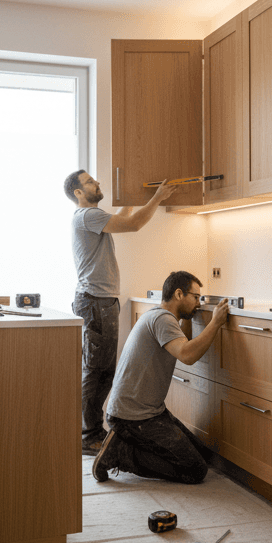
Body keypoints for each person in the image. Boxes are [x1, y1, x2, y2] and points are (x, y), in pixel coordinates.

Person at [64, 170, 174, 455]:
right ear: (78, 192)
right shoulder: (87, 216)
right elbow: (133, 225)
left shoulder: (91, 218)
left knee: (102, 370)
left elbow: (124, 218)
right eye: (89, 182)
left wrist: (132, 197)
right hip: (96, 302)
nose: (97, 183)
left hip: (99, 301)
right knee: (96, 370)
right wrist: (157, 198)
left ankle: (91, 431)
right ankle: (88, 435)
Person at [93, 270, 229, 484]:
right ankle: (121, 454)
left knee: (202, 455)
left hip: (146, 412)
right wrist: (215, 322)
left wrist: (190, 318)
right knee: (195, 470)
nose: (198, 303)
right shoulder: (163, 319)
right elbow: (187, 355)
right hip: (133, 417)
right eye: (195, 297)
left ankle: (127, 444)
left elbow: (182, 343)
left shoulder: (156, 314)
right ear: (178, 294)